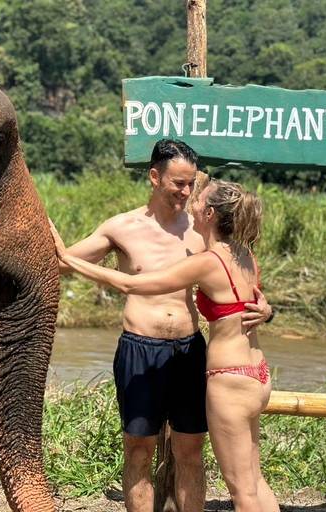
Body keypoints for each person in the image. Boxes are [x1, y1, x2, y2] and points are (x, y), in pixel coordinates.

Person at [55, 139, 273, 512]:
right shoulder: (122, 227)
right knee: (139, 449)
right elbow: (61, 263)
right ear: (155, 177)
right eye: (178, 183)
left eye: (191, 185)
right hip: (140, 349)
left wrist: (267, 310)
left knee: (191, 450)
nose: (186, 193)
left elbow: (241, 287)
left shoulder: (201, 228)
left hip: (190, 350)